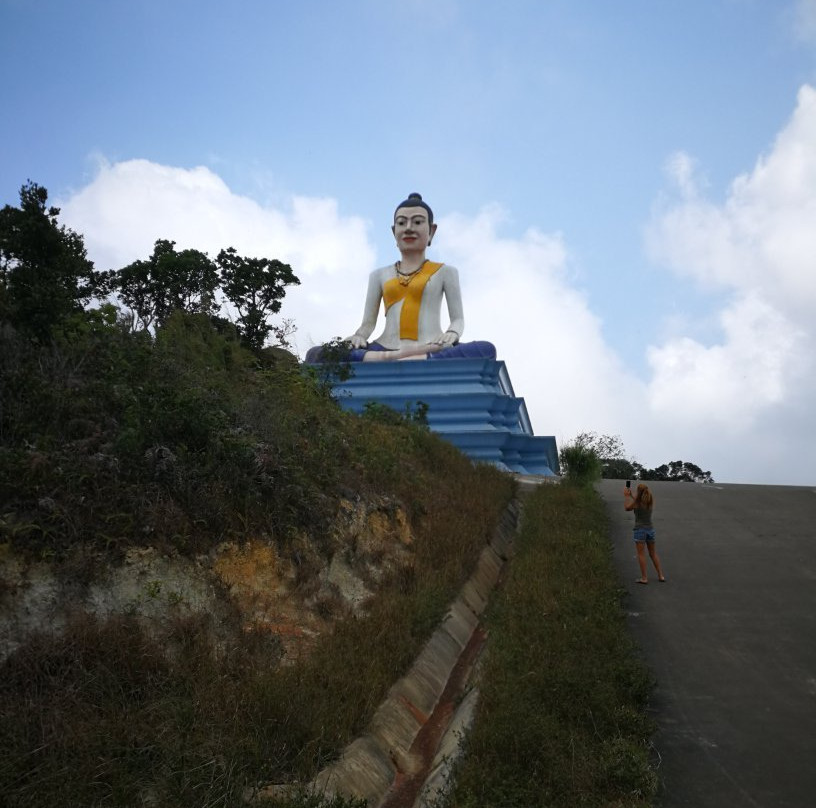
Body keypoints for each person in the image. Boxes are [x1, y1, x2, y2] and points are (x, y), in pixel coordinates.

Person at [304, 192, 495, 363]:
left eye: (418, 222)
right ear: (393, 231)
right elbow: (368, 324)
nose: (409, 228)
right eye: (402, 223)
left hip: (433, 344)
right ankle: (402, 357)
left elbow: (458, 319)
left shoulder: (445, 272)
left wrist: (452, 333)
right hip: (384, 346)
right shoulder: (379, 275)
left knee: (486, 349)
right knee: (317, 354)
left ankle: (406, 357)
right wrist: (358, 336)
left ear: (432, 230)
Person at [624, 482, 666, 584]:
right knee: (653, 554)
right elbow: (638, 501)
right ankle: (661, 575)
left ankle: (644, 578)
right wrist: (631, 496)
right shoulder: (649, 501)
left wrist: (626, 497)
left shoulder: (636, 503)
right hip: (650, 529)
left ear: (638, 492)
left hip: (640, 530)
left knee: (641, 554)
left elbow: (627, 508)